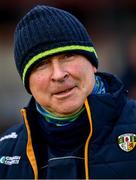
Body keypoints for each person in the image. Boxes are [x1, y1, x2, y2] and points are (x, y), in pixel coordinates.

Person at [0, 5, 136, 179]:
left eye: (67, 56)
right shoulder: (5, 153)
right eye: (41, 64)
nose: (58, 74)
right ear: (28, 84)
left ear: (93, 63)